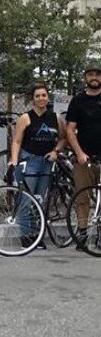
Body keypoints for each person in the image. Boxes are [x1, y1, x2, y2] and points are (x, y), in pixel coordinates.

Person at [65, 62, 101, 250]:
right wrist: (79, 153)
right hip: (84, 158)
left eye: (97, 74)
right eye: (90, 75)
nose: (94, 78)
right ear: (85, 78)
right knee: (82, 197)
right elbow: (70, 129)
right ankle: (82, 233)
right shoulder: (78, 101)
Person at [9, 82, 64, 205]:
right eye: (37, 96)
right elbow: (16, 141)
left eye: (44, 95)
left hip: (47, 162)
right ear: (33, 99)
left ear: (48, 97)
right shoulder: (25, 118)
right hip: (30, 161)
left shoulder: (56, 118)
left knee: (39, 200)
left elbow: (62, 139)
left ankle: (37, 224)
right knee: (26, 200)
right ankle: (24, 224)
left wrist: (56, 151)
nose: (41, 98)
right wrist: (14, 160)